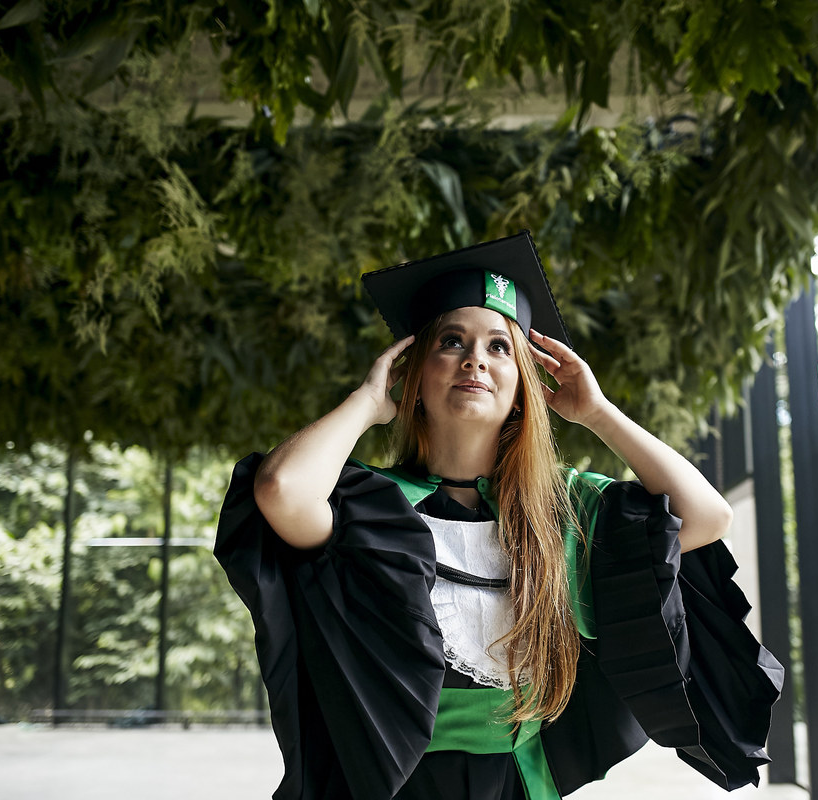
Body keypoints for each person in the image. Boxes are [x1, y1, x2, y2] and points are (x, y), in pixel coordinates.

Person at [215, 232, 783, 800]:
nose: (475, 360)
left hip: (520, 784)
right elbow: (281, 489)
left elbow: (707, 517)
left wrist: (598, 413)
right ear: (414, 375)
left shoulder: (564, 507)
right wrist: (366, 402)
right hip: (394, 786)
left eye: (499, 347)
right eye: (451, 342)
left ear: (521, 387)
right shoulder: (370, 507)